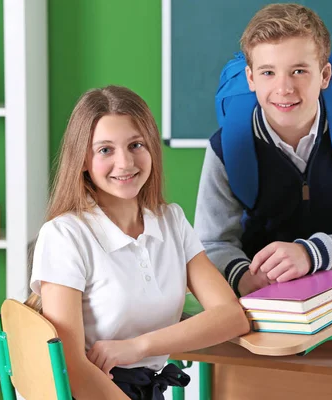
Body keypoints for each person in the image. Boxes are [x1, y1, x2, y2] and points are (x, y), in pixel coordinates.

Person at [25, 85, 250, 400]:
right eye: (105, 150)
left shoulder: (171, 221)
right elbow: (72, 369)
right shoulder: (64, 236)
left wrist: (137, 347)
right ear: (83, 160)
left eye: (136, 145)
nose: (125, 163)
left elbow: (231, 317)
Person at [194, 3, 332, 297]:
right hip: (272, 293)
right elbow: (213, 243)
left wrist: (310, 254)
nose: (284, 88)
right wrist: (241, 275)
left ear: (325, 75)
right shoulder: (227, 145)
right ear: (251, 78)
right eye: (268, 72)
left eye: (299, 71)